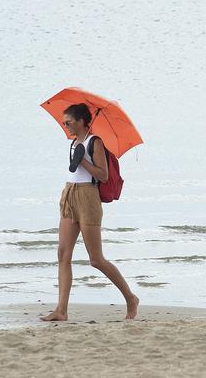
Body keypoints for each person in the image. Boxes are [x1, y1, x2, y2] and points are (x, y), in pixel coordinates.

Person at [40, 103, 139, 321]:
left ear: (82, 121)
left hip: (87, 196)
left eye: (69, 122)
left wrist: (83, 160)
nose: (66, 126)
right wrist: (77, 158)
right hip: (69, 194)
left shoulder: (95, 142)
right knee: (62, 254)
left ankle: (131, 298)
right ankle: (61, 311)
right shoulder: (75, 142)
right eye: (64, 122)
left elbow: (102, 176)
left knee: (96, 259)